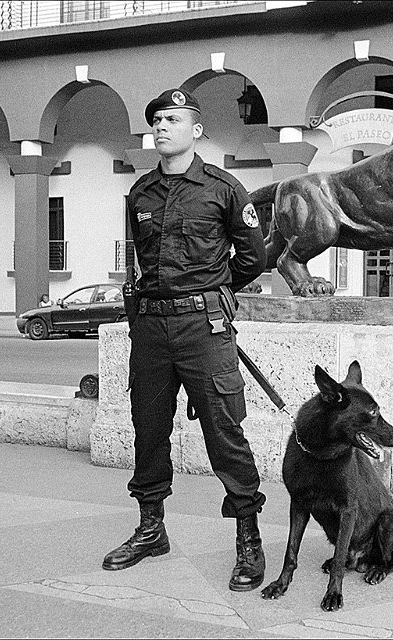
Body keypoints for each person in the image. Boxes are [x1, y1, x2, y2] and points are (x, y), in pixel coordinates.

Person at [102, 88, 268, 592]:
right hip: (150, 330)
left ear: (196, 130)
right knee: (148, 430)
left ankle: (248, 536)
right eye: (156, 120)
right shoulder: (141, 194)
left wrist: (209, 293)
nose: (161, 126)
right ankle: (151, 529)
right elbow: (141, 260)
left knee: (224, 431)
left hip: (204, 329)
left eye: (173, 119)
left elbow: (252, 258)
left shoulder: (223, 189)